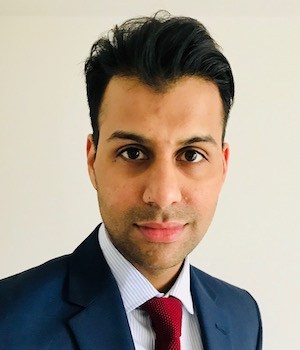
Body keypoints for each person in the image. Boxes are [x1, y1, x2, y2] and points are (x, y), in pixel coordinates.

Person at [0, 11, 262, 350]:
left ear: (223, 166)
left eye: (192, 154)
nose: (163, 195)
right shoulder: (9, 322)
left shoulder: (242, 316)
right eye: (134, 153)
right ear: (93, 161)